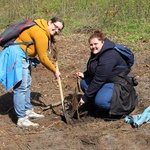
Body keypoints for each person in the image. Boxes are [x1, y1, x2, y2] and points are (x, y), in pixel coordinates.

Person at [0, 17, 64, 127]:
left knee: (27, 84)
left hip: (25, 56)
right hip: (18, 56)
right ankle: (21, 118)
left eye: (59, 29)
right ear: (50, 22)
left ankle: (27, 109)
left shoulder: (41, 27)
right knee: (21, 87)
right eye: (55, 26)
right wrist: (54, 71)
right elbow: (43, 58)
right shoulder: (41, 33)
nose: (56, 30)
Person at [76, 30, 138, 117]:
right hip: (106, 79)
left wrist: (85, 97)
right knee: (84, 83)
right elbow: (96, 68)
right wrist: (85, 74)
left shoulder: (109, 56)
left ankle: (118, 109)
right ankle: (97, 103)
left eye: (96, 44)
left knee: (101, 102)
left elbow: (99, 79)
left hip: (117, 83)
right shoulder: (97, 52)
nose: (93, 46)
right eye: (91, 45)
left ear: (102, 42)